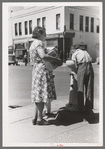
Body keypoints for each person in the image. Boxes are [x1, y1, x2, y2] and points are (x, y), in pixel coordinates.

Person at [29, 26, 62, 125]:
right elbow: (43, 56)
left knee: (38, 94)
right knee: (42, 95)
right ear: (40, 34)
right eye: (44, 33)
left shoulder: (32, 44)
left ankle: (35, 117)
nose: (46, 35)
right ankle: (40, 119)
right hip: (42, 70)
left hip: (36, 69)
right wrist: (56, 59)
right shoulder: (39, 43)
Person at [71, 44, 94, 114]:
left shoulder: (75, 54)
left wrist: (74, 73)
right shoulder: (85, 52)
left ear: (73, 49)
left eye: (71, 51)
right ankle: (89, 108)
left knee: (80, 88)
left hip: (82, 67)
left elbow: (75, 66)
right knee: (89, 89)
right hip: (90, 67)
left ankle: (81, 109)